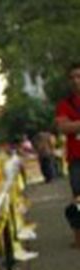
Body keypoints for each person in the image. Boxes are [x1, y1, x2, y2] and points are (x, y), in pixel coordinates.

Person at [55, 62, 80, 199]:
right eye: (72, 78)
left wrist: (73, 125)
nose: (76, 81)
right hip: (76, 160)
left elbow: (69, 126)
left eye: (79, 76)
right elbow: (63, 127)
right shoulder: (64, 104)